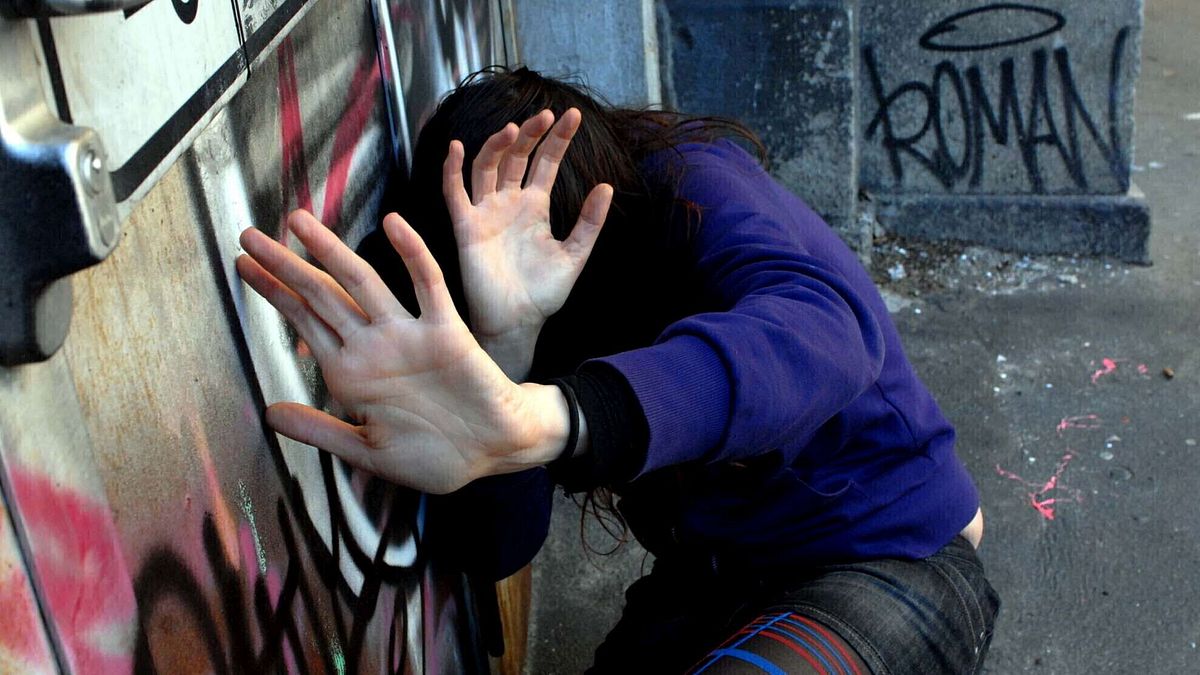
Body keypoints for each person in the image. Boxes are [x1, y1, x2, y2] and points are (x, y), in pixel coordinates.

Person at [236, 66, 998, 674]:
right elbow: (498, 549)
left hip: (890, 551)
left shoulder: (695, 187)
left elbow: (826, 335)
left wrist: (553, 415)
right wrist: (508, 341)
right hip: (719, 577)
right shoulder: (512, 307)